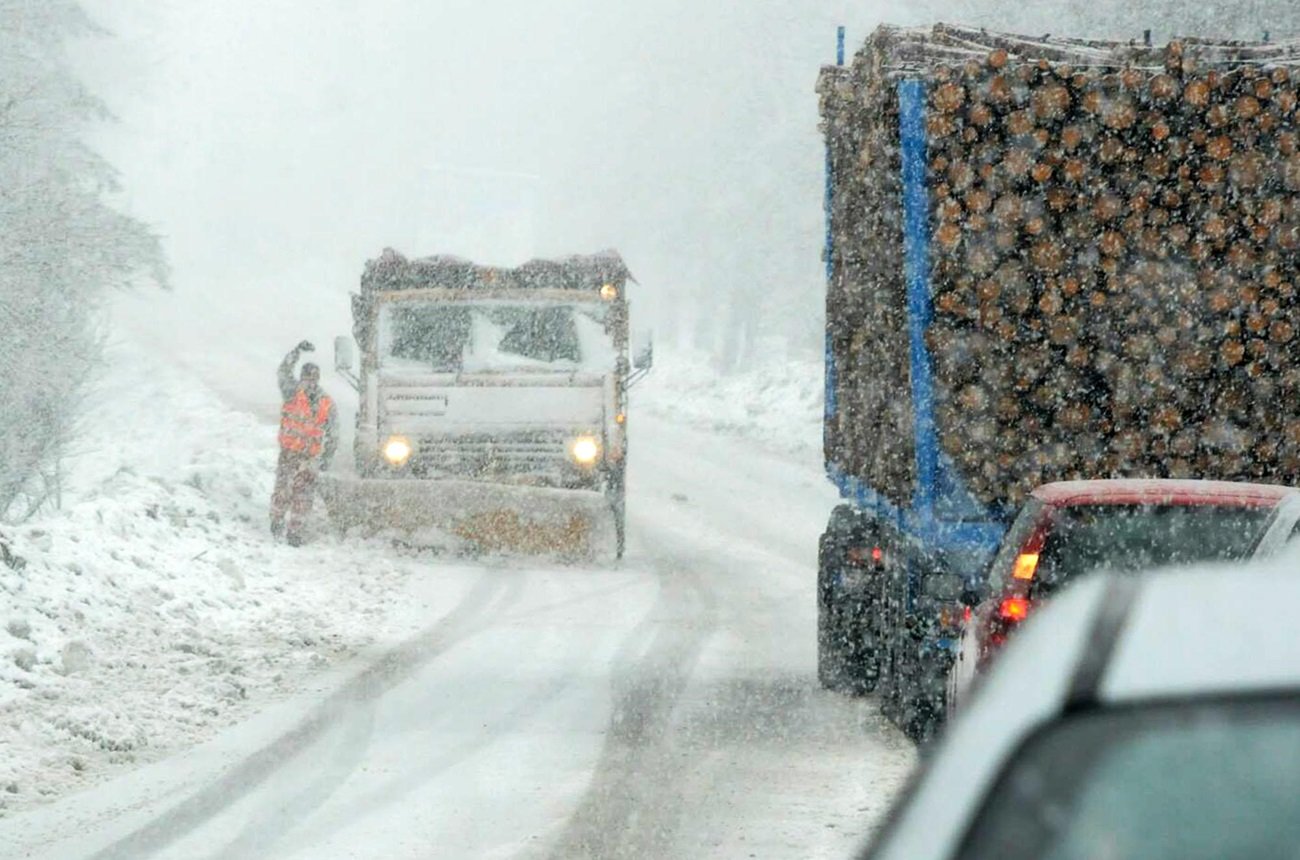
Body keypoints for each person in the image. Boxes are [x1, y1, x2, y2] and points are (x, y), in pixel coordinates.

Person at [270, 340, 337, 546]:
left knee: (304, 496)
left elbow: (333, 432)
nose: (311, 382)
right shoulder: (292, 392)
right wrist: (295, 353)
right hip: (290, 452)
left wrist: (327, 456)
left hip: (310, 456)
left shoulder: (326, 402)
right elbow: (283, 372)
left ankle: (295, 532)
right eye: (307, 378)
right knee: (284, 490)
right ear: (302, 378)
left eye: (314, 378)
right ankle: (276, 522)